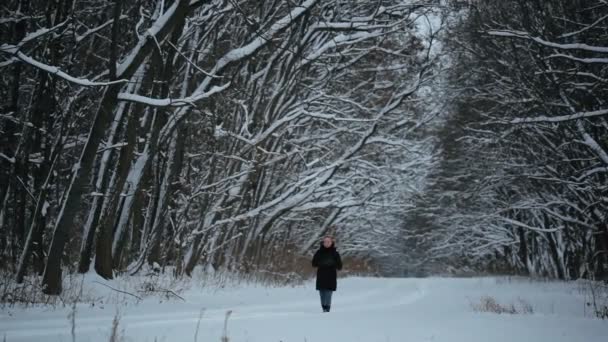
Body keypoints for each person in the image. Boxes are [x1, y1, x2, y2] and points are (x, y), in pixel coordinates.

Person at [311, 236, 342, 312]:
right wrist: (322, 263)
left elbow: (340, 266)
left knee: (328, 292)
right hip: (321, 275)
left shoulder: (335, 253)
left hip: (331, 276)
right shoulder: (319, 252)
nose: (327, 243)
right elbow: (314, 263)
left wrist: (332, 263)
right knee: (322, 293)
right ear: (323, 243)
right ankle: (323, 307)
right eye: (325, 242)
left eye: (329, 242)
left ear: (332, 243)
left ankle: (327, 309)